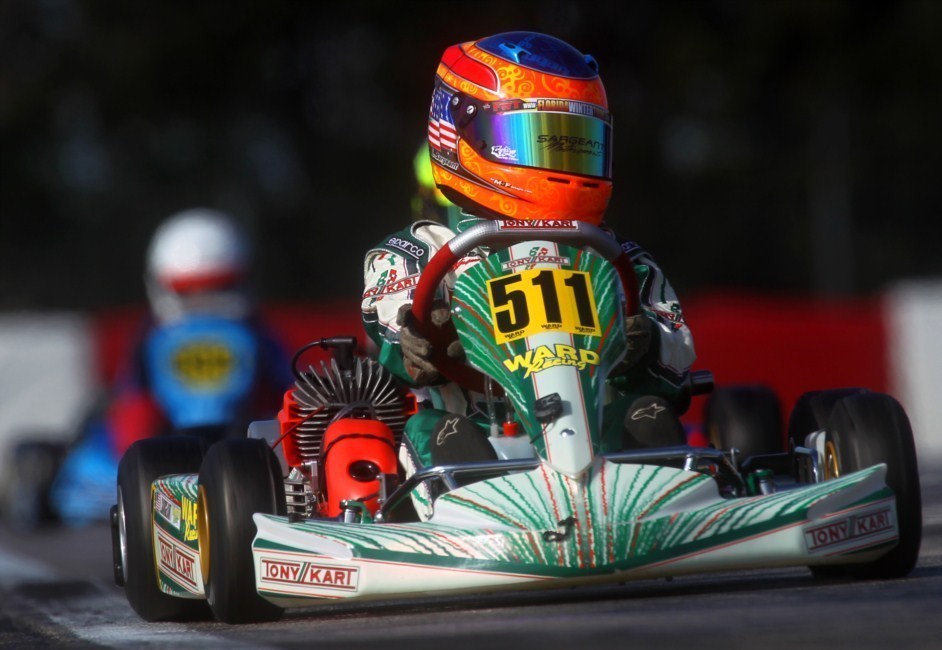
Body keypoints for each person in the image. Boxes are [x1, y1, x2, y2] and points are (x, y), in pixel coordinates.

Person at [361, 32, 696, 485]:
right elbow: (391, 324)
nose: (563, 164)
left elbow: (678, 360)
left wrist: (647, 343)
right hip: (479, 441)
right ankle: (469, 504)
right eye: (540, 142)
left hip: (601, 456)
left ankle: (656, 505)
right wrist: (418, 336)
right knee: (439, 429)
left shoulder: (619, 262)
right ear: (463, 132)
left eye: (579, 143)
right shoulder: (418, 253)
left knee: (648, 413)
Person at [34, 209, 293, 527]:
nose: (204, 302)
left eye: (218, 288)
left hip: (248, 443)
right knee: (119, 422)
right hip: (160, 437)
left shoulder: (262, 337)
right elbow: (129, 399)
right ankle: (141, 472)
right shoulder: (150, 339)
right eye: (190, 290)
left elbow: (289, 391)